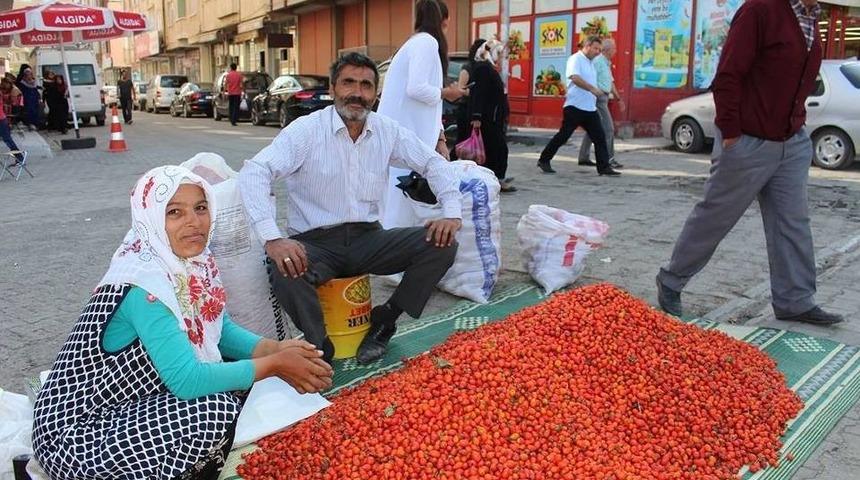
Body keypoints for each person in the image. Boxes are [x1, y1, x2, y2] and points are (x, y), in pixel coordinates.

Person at [32, 165, 333, 480]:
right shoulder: (146, 285)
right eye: (174, 212)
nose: (194, 222)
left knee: (231, 384)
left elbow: (218, 329)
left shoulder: (190, 265)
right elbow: (186, 381)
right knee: (213, 409)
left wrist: (274, 349)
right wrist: (274, 365)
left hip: (122, 404)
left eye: (201, 208)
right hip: (74, 436)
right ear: (150, 218)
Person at [238, 52, 463, 366]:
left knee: (443, 244)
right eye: (348, 83)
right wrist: (272, 238)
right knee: (282, 266)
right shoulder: (306, 131)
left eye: (366, 85)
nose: (357, 93)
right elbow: (255, 171)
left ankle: (386, 319)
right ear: (333, 89)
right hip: (315, 243)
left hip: (368, 239)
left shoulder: (387, 130)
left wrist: (451, 213)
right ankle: (319, 346)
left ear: (375, 93)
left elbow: (432, 163)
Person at [656, 0, 843, 326]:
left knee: (792, 223)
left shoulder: (812, 17)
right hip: (748, 140)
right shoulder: (760, 10)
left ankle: (795, 301)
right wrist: (730, 132)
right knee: (716, 216)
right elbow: (728, 74)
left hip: (791, 142)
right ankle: (671, 281)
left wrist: (796, 123)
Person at [377, 0, 466, 229]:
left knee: (403, 196)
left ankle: (397, 242)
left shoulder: (417, 43)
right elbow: (416, 89)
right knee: (400, 196)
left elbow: (427, 103)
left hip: (408, 135)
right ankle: (393, 246)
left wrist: (440, 139)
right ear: (444, 20)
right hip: (404, 136)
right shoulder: (426, 42)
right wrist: (448, 92)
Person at [537, 36, 620, 176]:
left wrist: (601, 91)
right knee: (563, 136)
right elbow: (574, 77)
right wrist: (592, 89)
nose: (598, 52)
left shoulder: (591, 63)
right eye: (595, 48)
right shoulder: (575, 59)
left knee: (599, 136)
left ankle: (604, 167)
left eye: (599, 49)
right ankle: (544, 160)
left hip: (590, 108)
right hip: (575, 106)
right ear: (587, 46)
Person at [468, 38, 515, 192]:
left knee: (495, 148)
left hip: (494, 117)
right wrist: (477, 117)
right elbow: (479, 94)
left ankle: (494, 178)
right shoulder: (483, 69)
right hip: (489, 118)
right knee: (497, 148)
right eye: (499, 54)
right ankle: (496, 179)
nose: (502, 58)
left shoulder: (489, 68)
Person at [577, 38, 624, 170]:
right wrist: (594, 92)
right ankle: (609, 158)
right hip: (598, 98)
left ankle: (583, 157)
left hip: (604, 97)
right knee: (609, 129)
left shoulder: (606, 63)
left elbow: (611, 82)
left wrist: (618, 98)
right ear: (608, 50)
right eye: (614, 48)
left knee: (593, 128)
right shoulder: (598, 62)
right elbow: (589, 77)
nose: (615, 51)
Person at [451, 38, 486, 157]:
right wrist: (476, 93)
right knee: (463, 140)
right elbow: (460, 89)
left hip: (478, 109)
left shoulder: (483, 68)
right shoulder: (468, 67)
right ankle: (451, 160)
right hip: (466, 109)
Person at [0, 92, 25, 164]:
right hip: (2, 119)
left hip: (1, 120)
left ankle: (19, 157)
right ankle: (19, 157)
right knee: (7, 140)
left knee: (7, 140)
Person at [16, 67, 42, 131]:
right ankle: (30, 124)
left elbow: (36, 91)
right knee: (29, 111)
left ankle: (36, 124)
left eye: (30, 74)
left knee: (36, 111)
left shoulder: (34, 82)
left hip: (34, 99)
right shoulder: (22, 83)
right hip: (27, 99)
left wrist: (39, 98)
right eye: (27, 74)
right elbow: (21, 92)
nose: (29, 76)